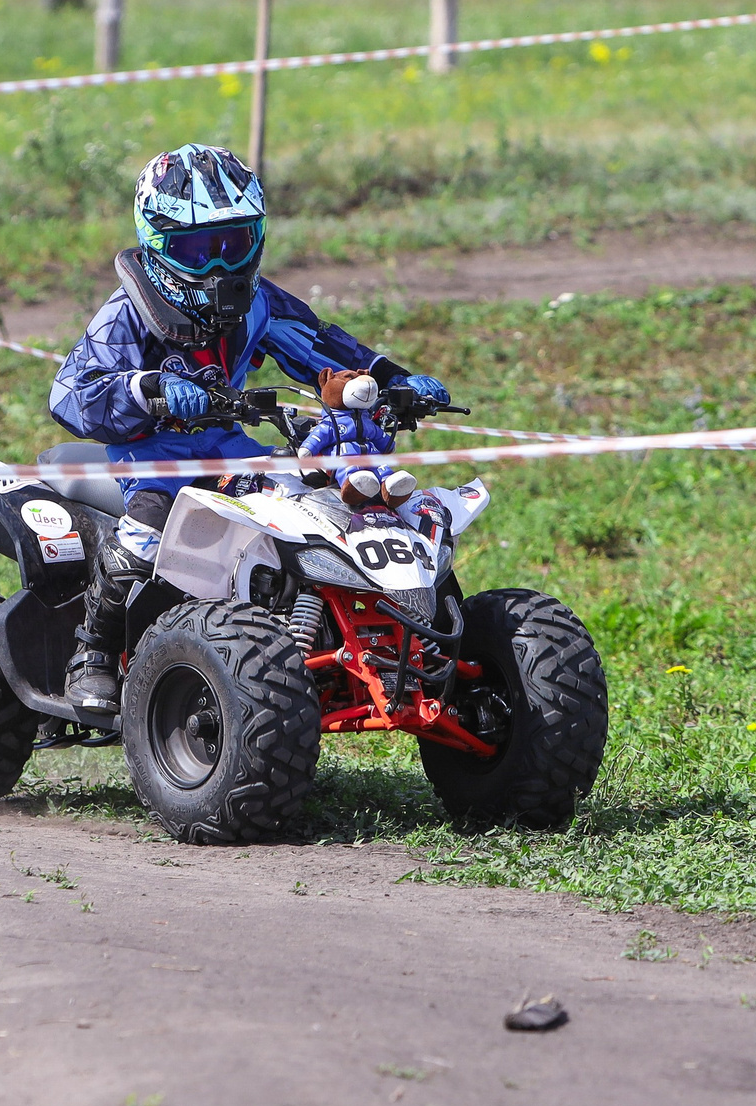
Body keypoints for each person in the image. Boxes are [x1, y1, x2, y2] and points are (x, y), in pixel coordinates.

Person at [49, 144, 453, 716]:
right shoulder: (128, 313)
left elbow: (322, 347)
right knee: (145, 536)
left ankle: (329, 639)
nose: (218, 266)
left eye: (233, 244)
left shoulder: (256, 303)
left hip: (233, 449)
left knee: (313, 511)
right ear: (157, 242)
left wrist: (394, 380)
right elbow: (70, 394)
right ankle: (90, 654)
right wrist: (149, 389)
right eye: (197, 249)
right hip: (152, 457)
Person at [298, 369, 416, 508]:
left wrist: (388, 445)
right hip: (345, 458)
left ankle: (392, 487)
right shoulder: (330, 424)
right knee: (349, 471)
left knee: (383, 469)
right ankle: (355, 488)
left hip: (372, 456)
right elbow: (318, 437)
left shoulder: (366, 421)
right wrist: (307, 449)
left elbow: (378, 435)